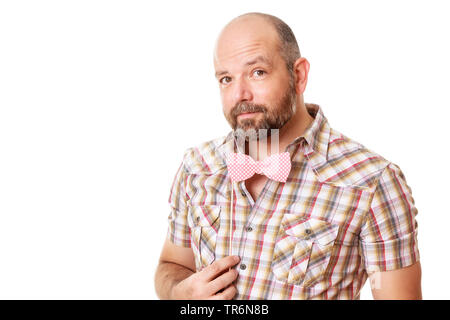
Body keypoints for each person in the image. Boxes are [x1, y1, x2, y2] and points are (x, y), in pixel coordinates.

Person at [154, 12, 422, 300]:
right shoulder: (197, 167)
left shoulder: (373, 183)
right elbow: (172, 265)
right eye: (226, 79)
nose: (239, 94)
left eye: (257, 72)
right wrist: (180, 293)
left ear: (299, 75)